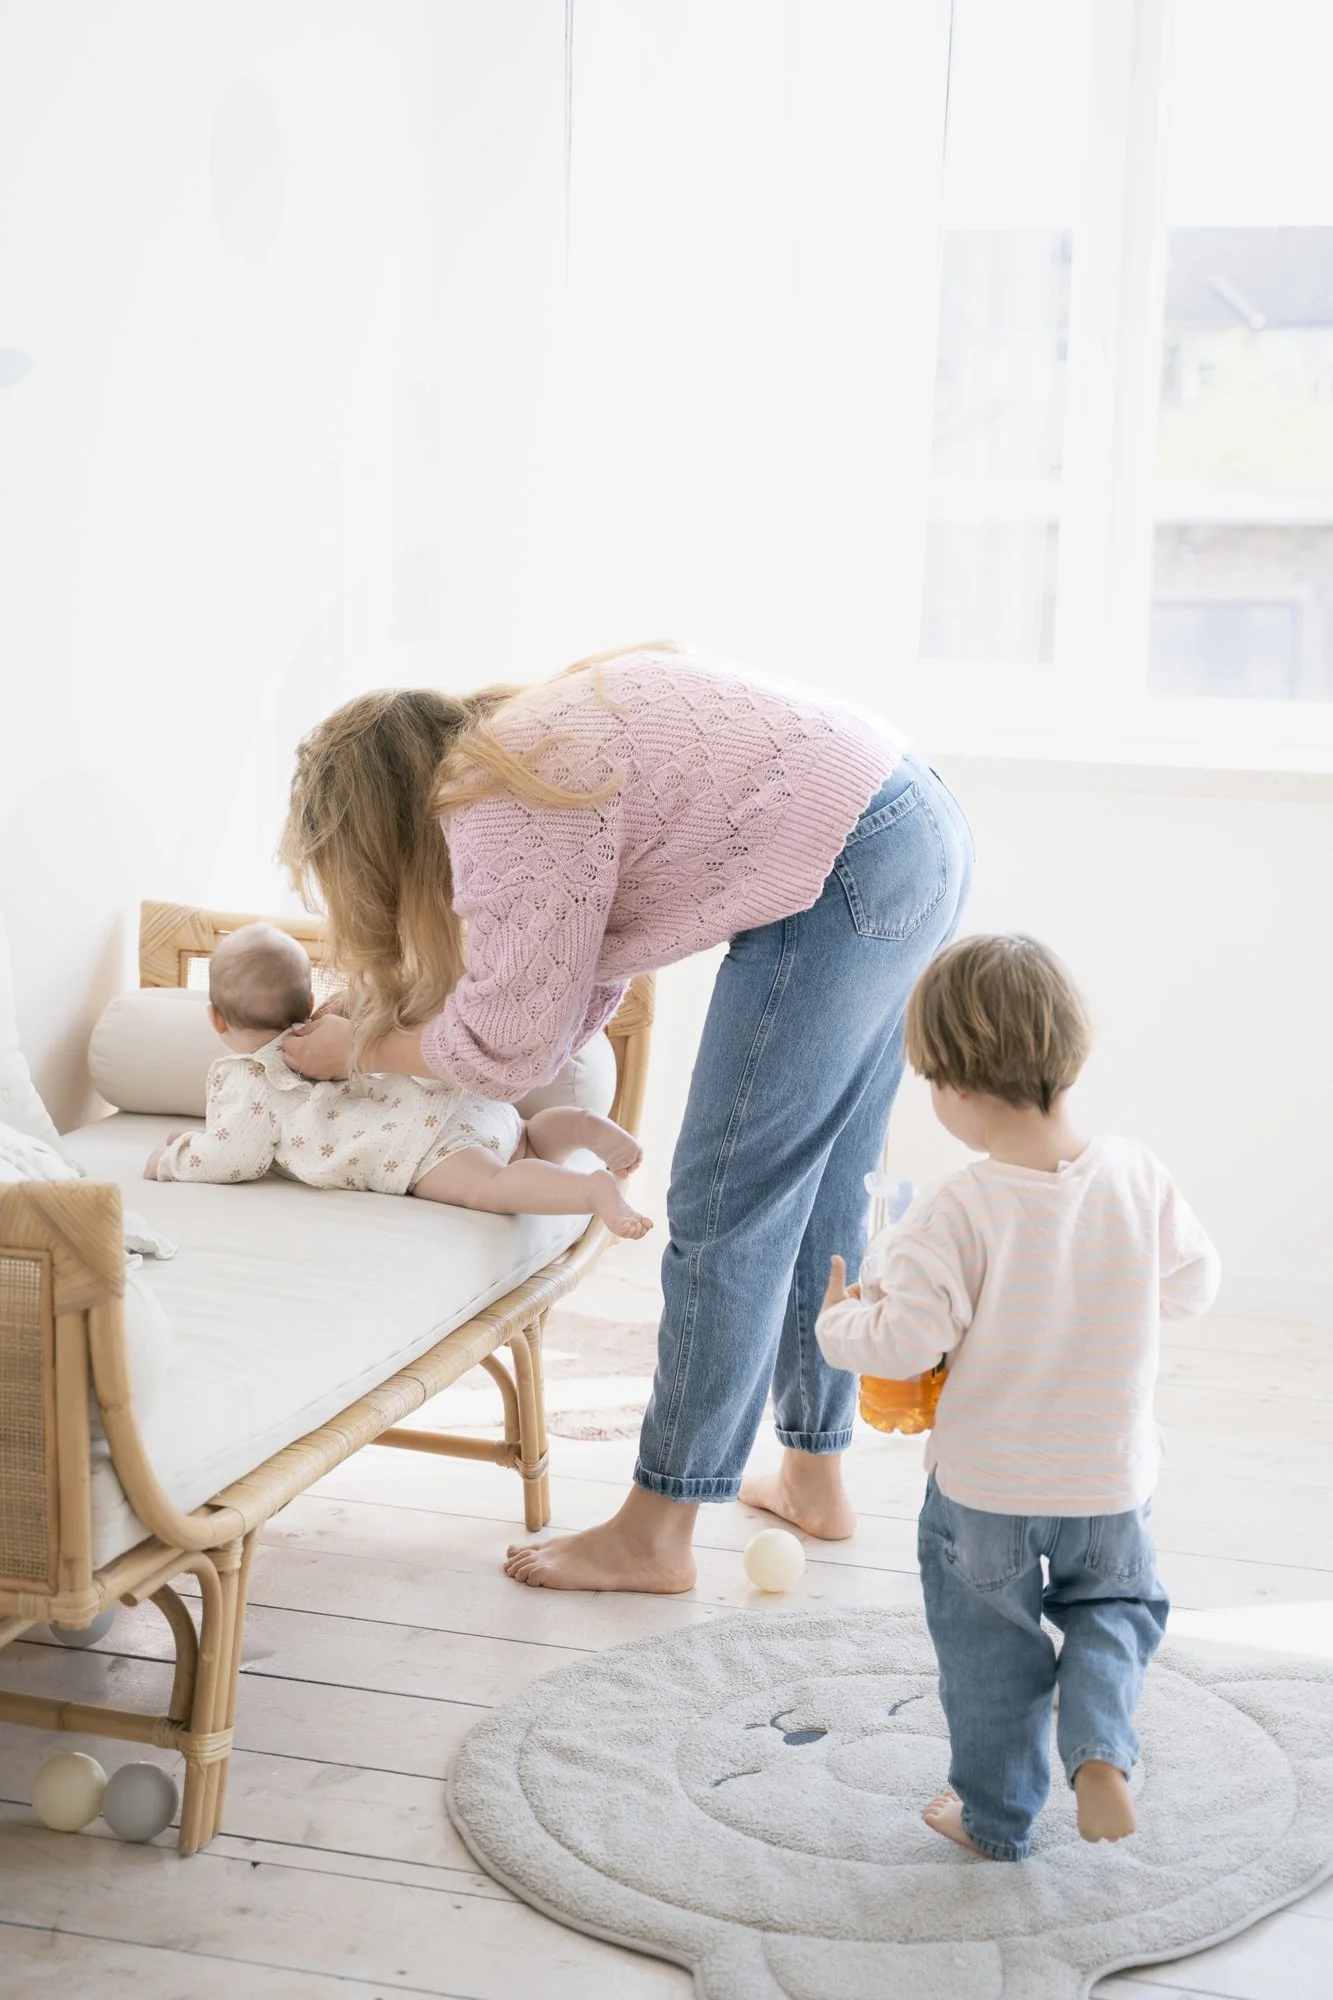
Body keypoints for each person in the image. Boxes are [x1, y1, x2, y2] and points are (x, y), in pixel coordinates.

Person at [279, 642, 972, 1592]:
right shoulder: (523, 746)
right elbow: (563, 993)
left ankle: (657, 1529)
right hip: (912, 821)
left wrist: (358, 1048)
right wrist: (421, 1027)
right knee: (817, 1183)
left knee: (728, 1201)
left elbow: (513, 1049)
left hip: (851, 857)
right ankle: (813, 1472)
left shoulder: (492, 798)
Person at [817, 934, 1220, 1859]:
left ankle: (995, 1820)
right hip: (1107, 1484)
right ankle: (1099, 1757)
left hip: (984, 1494)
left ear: (954, 1087)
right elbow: (1191, 1287)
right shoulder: (1135, 1174)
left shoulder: (956, 1209)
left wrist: (839, 1322)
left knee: (989, 1658)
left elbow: (908, 1339)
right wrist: (1107, 1295)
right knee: (1113, 1615)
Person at [144, 922, 650, 1237]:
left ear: (215, 1018)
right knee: (530, 1136)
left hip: (424, 1148)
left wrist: (177, 1155)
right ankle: (583, 1127)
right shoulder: (334, 1030)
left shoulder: (249, 1075)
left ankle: (591, 1190)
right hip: (459, 1103)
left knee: (493, 1186)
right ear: (308, 1000)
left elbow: (237, 1156)